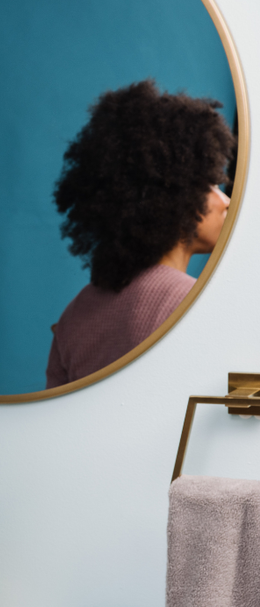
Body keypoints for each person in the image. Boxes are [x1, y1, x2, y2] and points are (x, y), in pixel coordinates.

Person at [46, 79, 235, 388]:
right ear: (174, 195)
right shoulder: (194, 305)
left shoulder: (74, 315)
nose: (225, 200)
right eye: (211, 184)